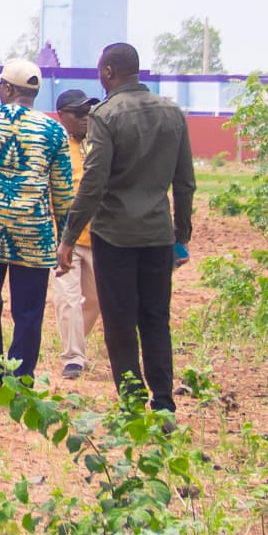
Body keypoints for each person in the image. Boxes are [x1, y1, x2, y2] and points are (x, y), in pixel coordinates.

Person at [58, 42, 197, 415]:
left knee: (120, 323)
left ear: (108, 72)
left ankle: (133, 407)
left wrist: (69, 236)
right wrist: (181, 237)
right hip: (158, 236)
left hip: (114, 237)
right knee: (156, 320)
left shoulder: (106, 115)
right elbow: (185, 183)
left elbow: (93, 182)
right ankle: (164, 405)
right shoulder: (173, 113)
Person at [0, 58, 75, 401]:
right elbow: (63, 192)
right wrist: (66, 240)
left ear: (7, 89)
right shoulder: (54, 131)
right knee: (28, 312)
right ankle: (20, 384)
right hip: (35, 235)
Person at [50, 89, 102, 380]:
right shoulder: (55, 147)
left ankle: (76, 343)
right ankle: (73, 358)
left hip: (97, 237)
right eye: (78, 113)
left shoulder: (100, 144)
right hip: (64, 239)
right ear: (62, 116)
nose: (85, 118)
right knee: (67, 299)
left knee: (95, 301)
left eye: (87, 113)